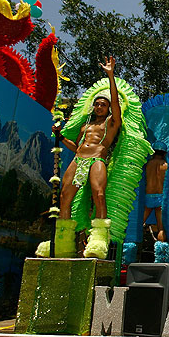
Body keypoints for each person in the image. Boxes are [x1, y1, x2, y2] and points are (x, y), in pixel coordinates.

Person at [40, 56, 121, 259]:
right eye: (97, 104)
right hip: (78, 160)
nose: (99, 107)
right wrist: (60, 137)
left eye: (103, 105)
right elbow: (76, 147)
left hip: (97, 160)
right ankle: (62, 243)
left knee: (99, 195)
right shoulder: (85, 126)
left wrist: (110, 76)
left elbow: (115, 102)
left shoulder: (111, 123)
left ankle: (99, 241)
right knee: (65, 197)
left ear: (108, 108)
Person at [143, 142, 169, 242]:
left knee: (138, 224)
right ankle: (161, 249)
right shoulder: (166, 165)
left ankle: (128, 247)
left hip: (148, 196)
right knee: (161, 228)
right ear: (164, 153)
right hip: (161, 197)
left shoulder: (148, 164)